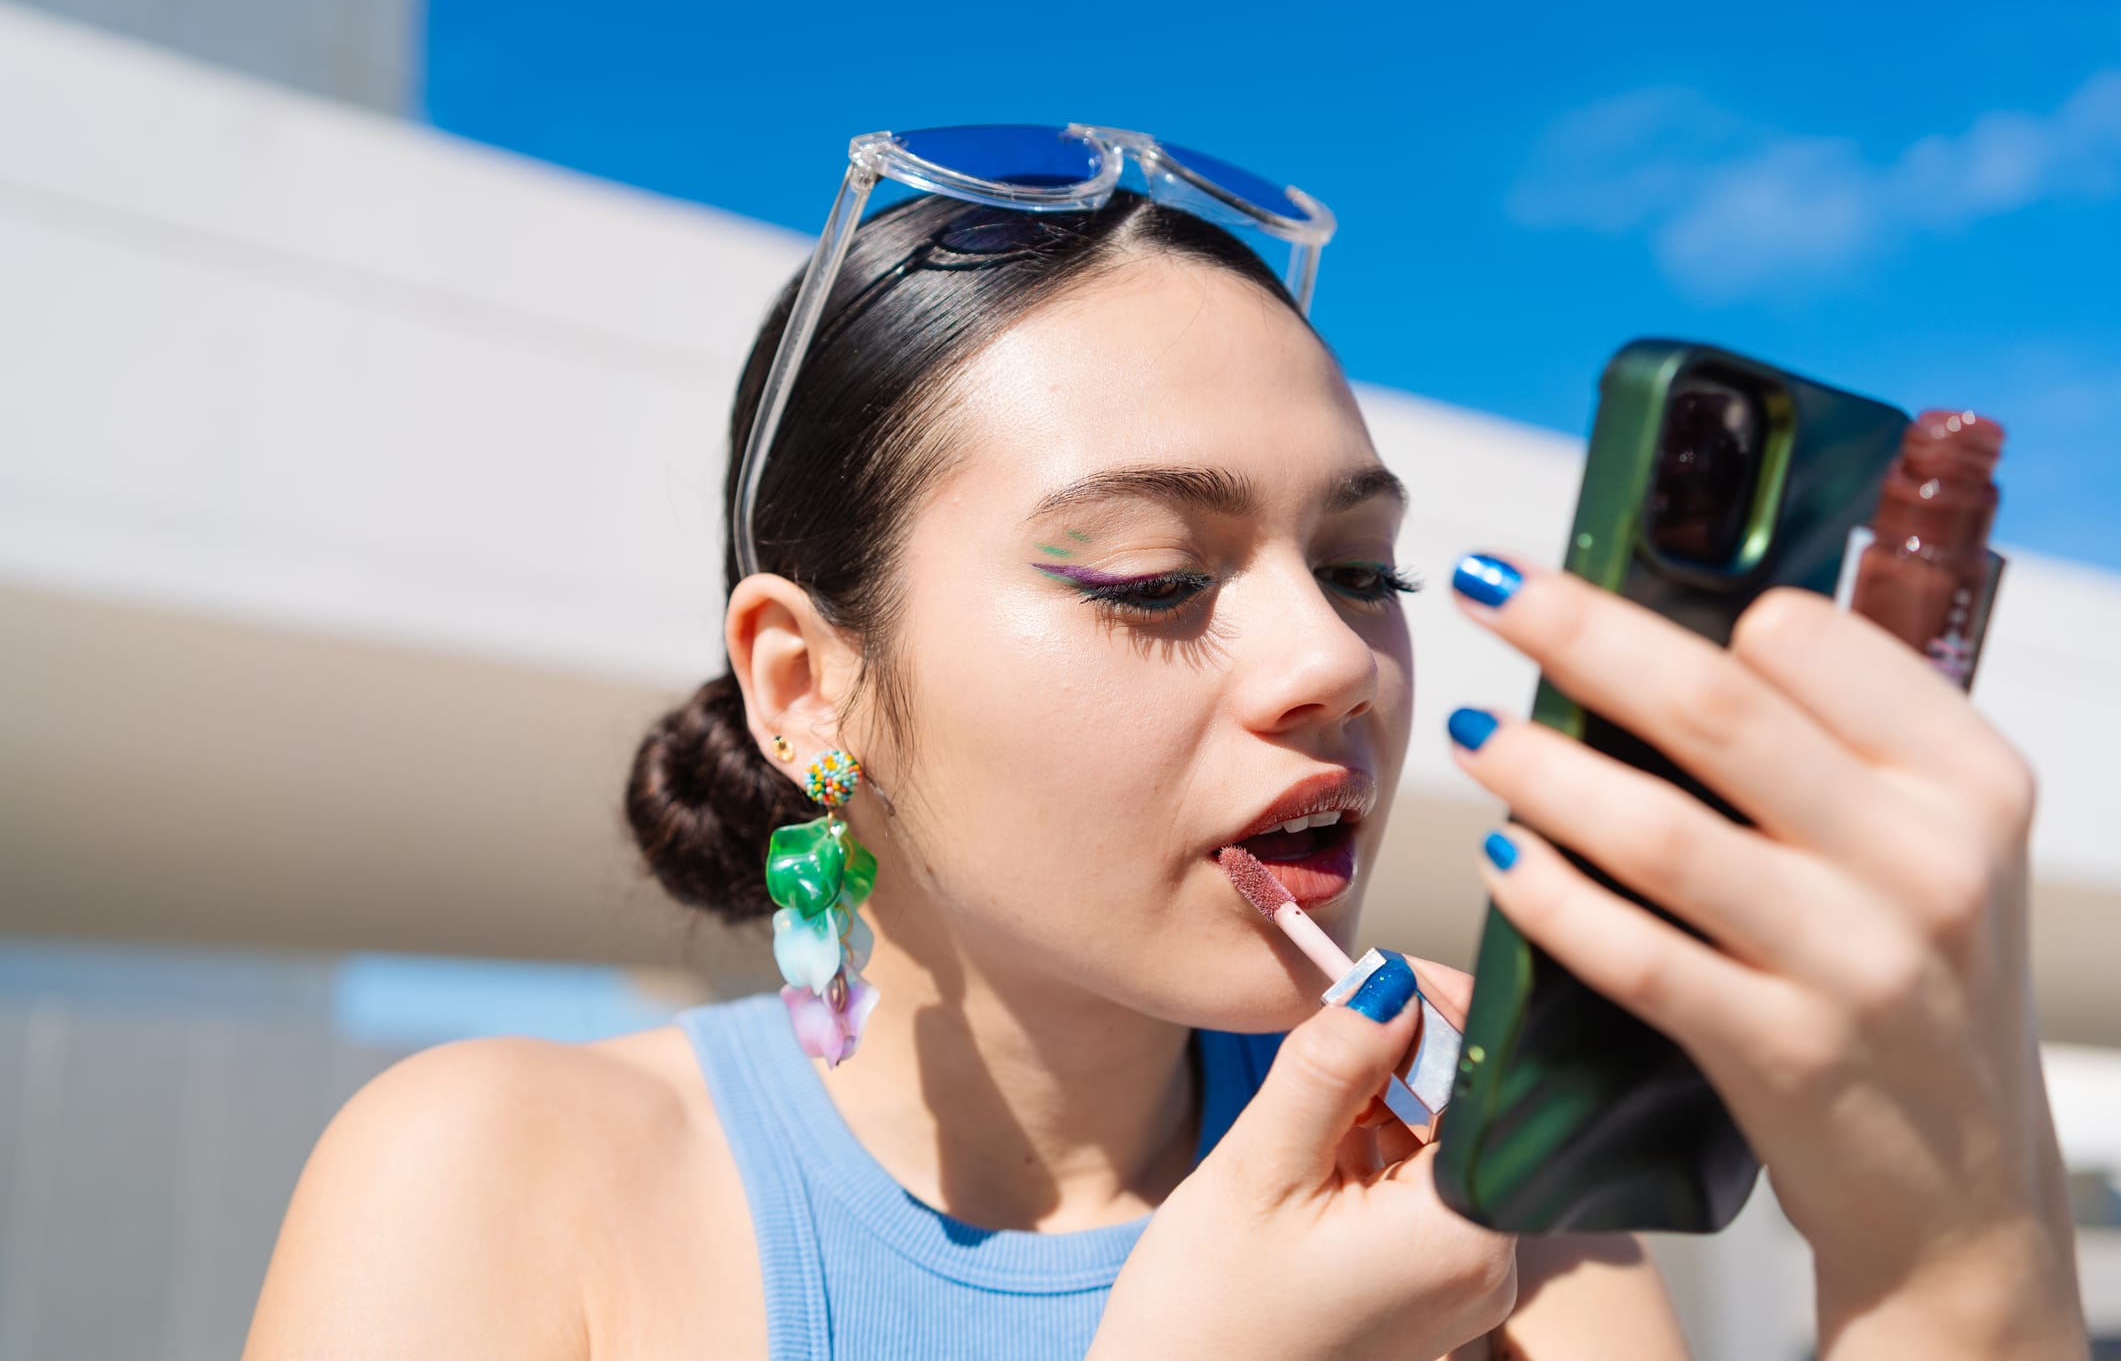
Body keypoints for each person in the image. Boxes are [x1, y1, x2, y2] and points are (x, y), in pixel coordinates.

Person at [243, 176, 2085, 1358]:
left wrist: (1956, 1255)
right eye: (1150, 578)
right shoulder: (499, 1176)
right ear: (807, 685)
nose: (1330, 661)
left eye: (1362, 570)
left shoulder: (1488, 1222)